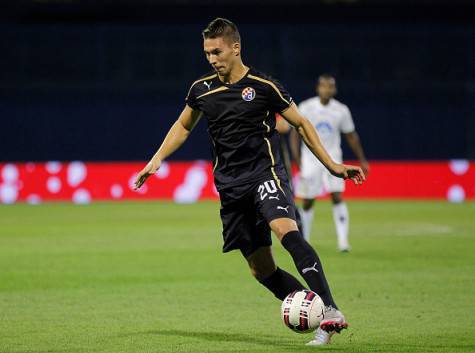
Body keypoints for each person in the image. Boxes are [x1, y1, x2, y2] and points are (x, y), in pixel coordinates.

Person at [134, 18, 365, 346]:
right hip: (230, 189)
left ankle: (330, 309)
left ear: (235, 47)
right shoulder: (202, 90)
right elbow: (183, 126)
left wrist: (331, 165)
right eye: (207, 53)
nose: (212, 59)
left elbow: (300, 123)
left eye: (217, 51)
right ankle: (316, 313)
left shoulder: (264, 86)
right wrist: (156, 159)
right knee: (262, 271)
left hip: (265, 175)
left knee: (287, 232)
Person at [291, 75, 369, 252]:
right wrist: (298, 159)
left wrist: (362, 159)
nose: (327, 90)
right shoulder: (306, 107)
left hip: (334, 158)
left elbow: (351, 136)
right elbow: (295, 134)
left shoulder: (341, 110)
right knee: (308, 200)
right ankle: (305, 240)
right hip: (310, 160)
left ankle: (343, 241)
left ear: (334, 90)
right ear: (318, 88)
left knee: (337, 195)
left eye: (330, 87)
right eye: (324, 86)